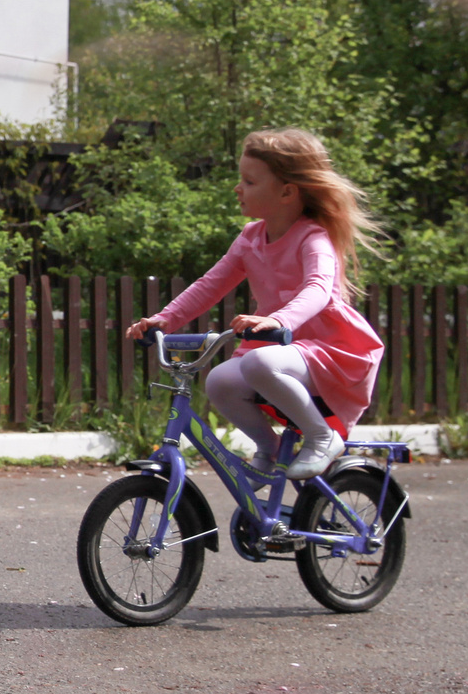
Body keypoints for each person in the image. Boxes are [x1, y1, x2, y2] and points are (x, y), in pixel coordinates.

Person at [124, 129, 385, 479]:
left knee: (260, 363)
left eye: (249, 181)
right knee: (220, 381)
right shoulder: (250, 238)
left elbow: (318, 289)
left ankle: (323, 437)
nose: (238, 188)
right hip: (281, 347)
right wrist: (164, 319)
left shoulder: (313, 237)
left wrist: (279, 319)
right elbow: (210, 285)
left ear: (286, 192)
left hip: (328, 349)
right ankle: (269, 447)